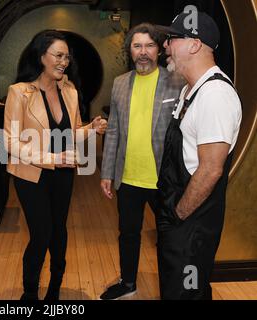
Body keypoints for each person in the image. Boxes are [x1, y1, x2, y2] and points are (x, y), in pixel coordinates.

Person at [4, 30, 107, 300]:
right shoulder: (19, 93)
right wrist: (53, 159)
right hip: (30, 175)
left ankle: (54, 289)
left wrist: (91, 128)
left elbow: (71, 131)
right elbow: (11, 143)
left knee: (59, 232)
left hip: (63, 175)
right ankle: (29, 293)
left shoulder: (70, 91)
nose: (64, 61)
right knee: (41, 234)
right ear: (41, 57)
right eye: (58, 55)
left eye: (66, 57)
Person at [157, 10, 242, 299]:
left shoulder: (215, 95)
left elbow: (210, 170)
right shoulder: (190, 91)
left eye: (172, 39)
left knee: (185, 293)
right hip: (178, 220)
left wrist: (179, 215)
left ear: (194, 44)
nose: (165, 46)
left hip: (191, 226)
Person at [100, 23, 184, 300]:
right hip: (129, 177)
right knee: (128, 234)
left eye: (149, 46)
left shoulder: (178, 81)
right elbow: (113, 130)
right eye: (137, 46)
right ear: (130, 51)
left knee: (169, 240)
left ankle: (171, 289)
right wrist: (107, 173)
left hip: (164, 179)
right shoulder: (120, 83)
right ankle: (128, 283)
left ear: (159, 50)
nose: (143, 52)